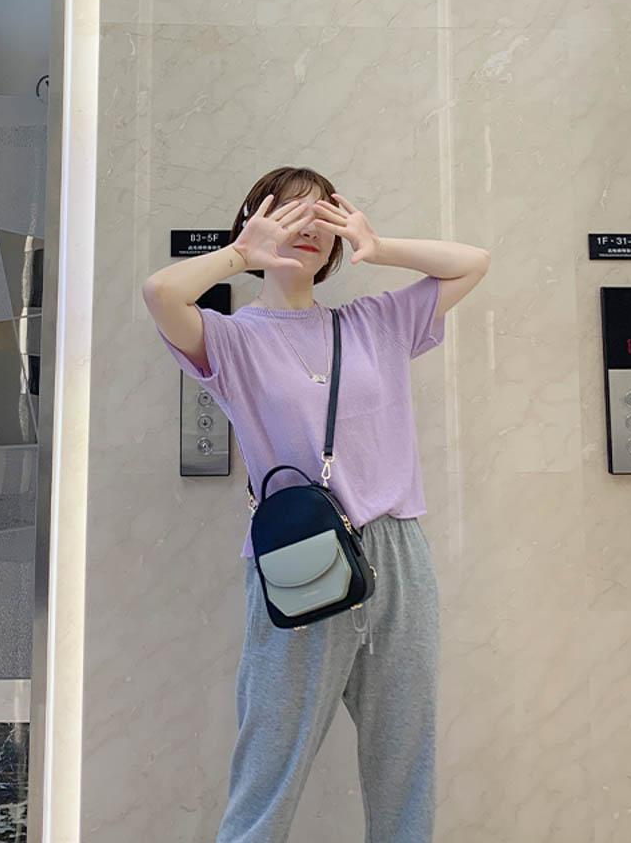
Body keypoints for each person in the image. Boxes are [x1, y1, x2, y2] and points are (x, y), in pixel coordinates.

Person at [141, 166, 490, 842]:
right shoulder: (232, 339)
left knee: (404, 760)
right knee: (270, 763)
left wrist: (379, 247)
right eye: (292, 213)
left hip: (397, 551)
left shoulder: (374, 322)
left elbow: (473, 263)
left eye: (322, 217)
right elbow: (161, 292)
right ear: (257, 218)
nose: (309, 229)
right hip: (299, 558)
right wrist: (240, 253)